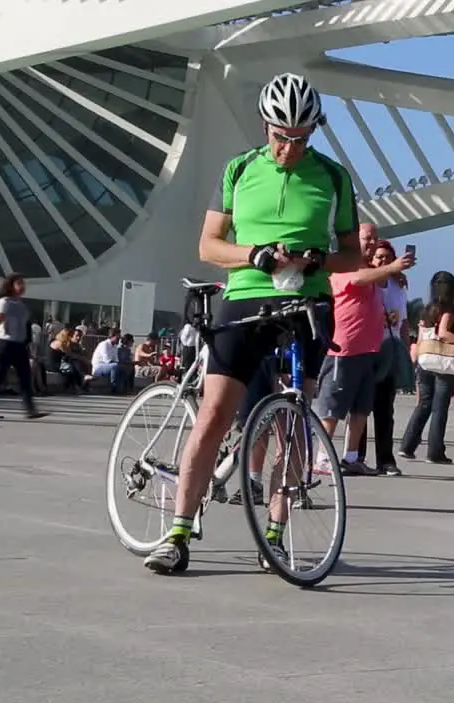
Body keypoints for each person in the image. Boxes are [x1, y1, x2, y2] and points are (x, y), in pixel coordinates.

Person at [144, 72, 364, 574]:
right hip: (245, 298)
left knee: (293, 420)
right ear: (266, 126)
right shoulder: (240, 169)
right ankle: (177, 532)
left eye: (301, 138)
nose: (289, 148)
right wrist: (255, 254)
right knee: (216, 413)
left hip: (305, 303)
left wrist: (318, 258)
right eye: (281, 136)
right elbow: (208, 246)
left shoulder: (333, 177)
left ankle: (275, 534)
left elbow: (351, 254)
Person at [314, 228, 414, 476]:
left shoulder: (374, 273)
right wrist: (391, 269)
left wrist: (392, 275)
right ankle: (322, 457)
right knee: (333, 406)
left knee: (361, 408)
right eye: (367, 237)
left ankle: (351, 457)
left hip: (369, 350)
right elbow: (357, 279)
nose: (372, 242)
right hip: (343, 349)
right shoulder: (343, 266)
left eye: (374, 237)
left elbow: (377, 283)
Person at [400, 271, 454, 463]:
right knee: (439, 408)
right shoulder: (448, 309)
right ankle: (435, 452)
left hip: (426, 360)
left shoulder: (427, 309)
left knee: (423, 404)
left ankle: (407, 445)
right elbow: (443, 333)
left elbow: (425, 334)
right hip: (443, 363)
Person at [0, 274, 44, 420]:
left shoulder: (22, 305)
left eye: (24, 283)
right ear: (11, 285)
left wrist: (27, 345)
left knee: (25, 376)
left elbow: (25, 327)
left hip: (19, 344)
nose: (23, 286)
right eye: (19, 283)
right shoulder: (4, 302)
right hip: (4, 343)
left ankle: (30, 410)